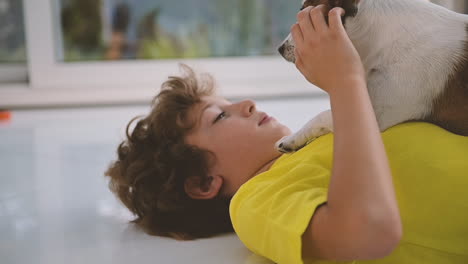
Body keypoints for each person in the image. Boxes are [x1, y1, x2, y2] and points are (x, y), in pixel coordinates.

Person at [105, 5, 468, 264]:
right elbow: (368, 232)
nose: (247, 103)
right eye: (219, 117)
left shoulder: (317, 137)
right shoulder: (256, 201)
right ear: (202, 183)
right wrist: (345, 81)